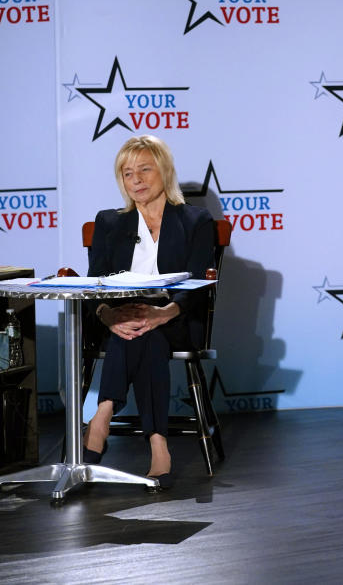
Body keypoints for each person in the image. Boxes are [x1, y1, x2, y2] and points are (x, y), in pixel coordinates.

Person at [83, 135, 216, 489]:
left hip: (176, 317)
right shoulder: (109, 222)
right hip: (118, 317)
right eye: (128, 173)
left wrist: (164, 313)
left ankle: (103, 412)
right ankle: (158, 444)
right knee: (140, 332)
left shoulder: (195, 220)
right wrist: (108, 315)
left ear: (165, 171)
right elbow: (95, 284)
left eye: (144, 169)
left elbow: (201, 284)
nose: (136, 180)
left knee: (149, 331)